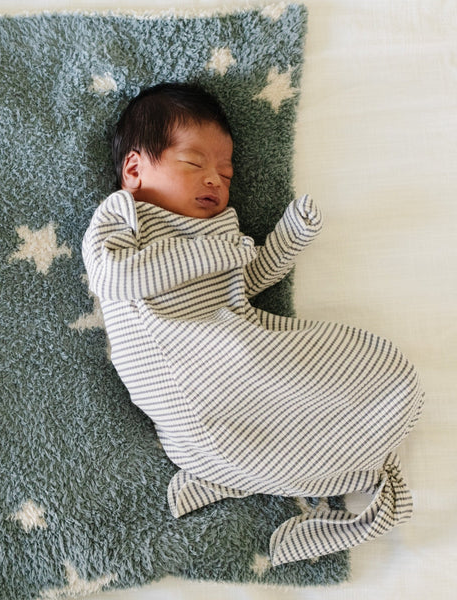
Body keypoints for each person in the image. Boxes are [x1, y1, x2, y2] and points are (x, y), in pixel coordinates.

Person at [82, 82, 424, 566]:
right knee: (242, 392)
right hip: (185, 362)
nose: (216, 181)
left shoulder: (221, 229)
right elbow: (113, 278)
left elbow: (245, 282)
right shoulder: (125, 216)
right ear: (135, 169)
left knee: (366, 367)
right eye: (195, 163)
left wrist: (287, 240)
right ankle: (239, 464)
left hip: (236, 337)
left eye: (225, 170)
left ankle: (313, 457)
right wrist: (213, 250)